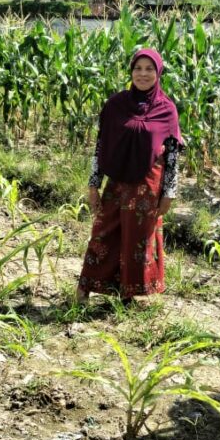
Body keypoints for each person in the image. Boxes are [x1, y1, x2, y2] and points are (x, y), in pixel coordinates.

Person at [76, 48, 183, 304]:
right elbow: (101, 146)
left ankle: (130, 293)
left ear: (158, 73)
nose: (143, 74)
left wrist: (169, 193)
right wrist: (94, 185)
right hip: (117, 183)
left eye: (149, 69)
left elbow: (171, 156)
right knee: (103, 233)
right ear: (131, 71)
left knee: (138, 240)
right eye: (138, 68)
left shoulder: (166, 110)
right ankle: (85, 288)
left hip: (148, 186)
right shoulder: (116, 105)